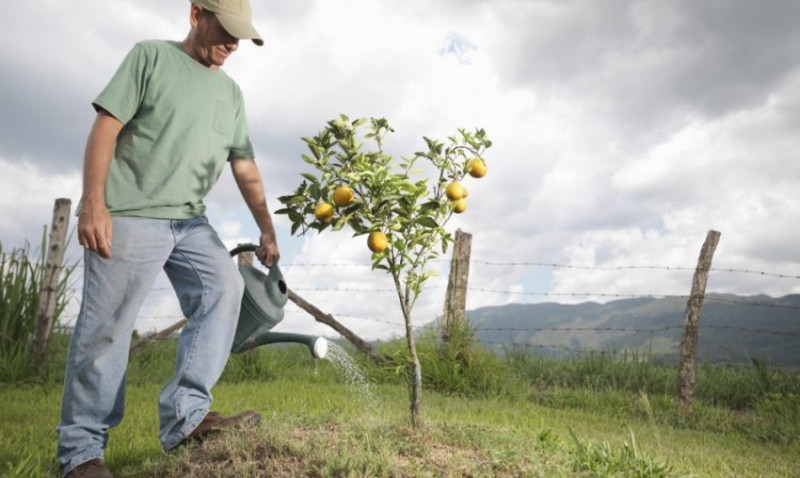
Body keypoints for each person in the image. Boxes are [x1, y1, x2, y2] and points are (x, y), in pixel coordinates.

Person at [57, 1, 279, 476]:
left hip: (190, 221)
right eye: (226, 30)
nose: (233, 44)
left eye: (241, 36)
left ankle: (187, 417)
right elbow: (106, 126)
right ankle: (81, 454)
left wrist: (266, 225)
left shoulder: (231, 94)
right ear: (197, 14)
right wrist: (94, 201)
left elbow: (243, 164)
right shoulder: (150, 57)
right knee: (108, 328)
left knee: (225, 287)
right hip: (129, 212)